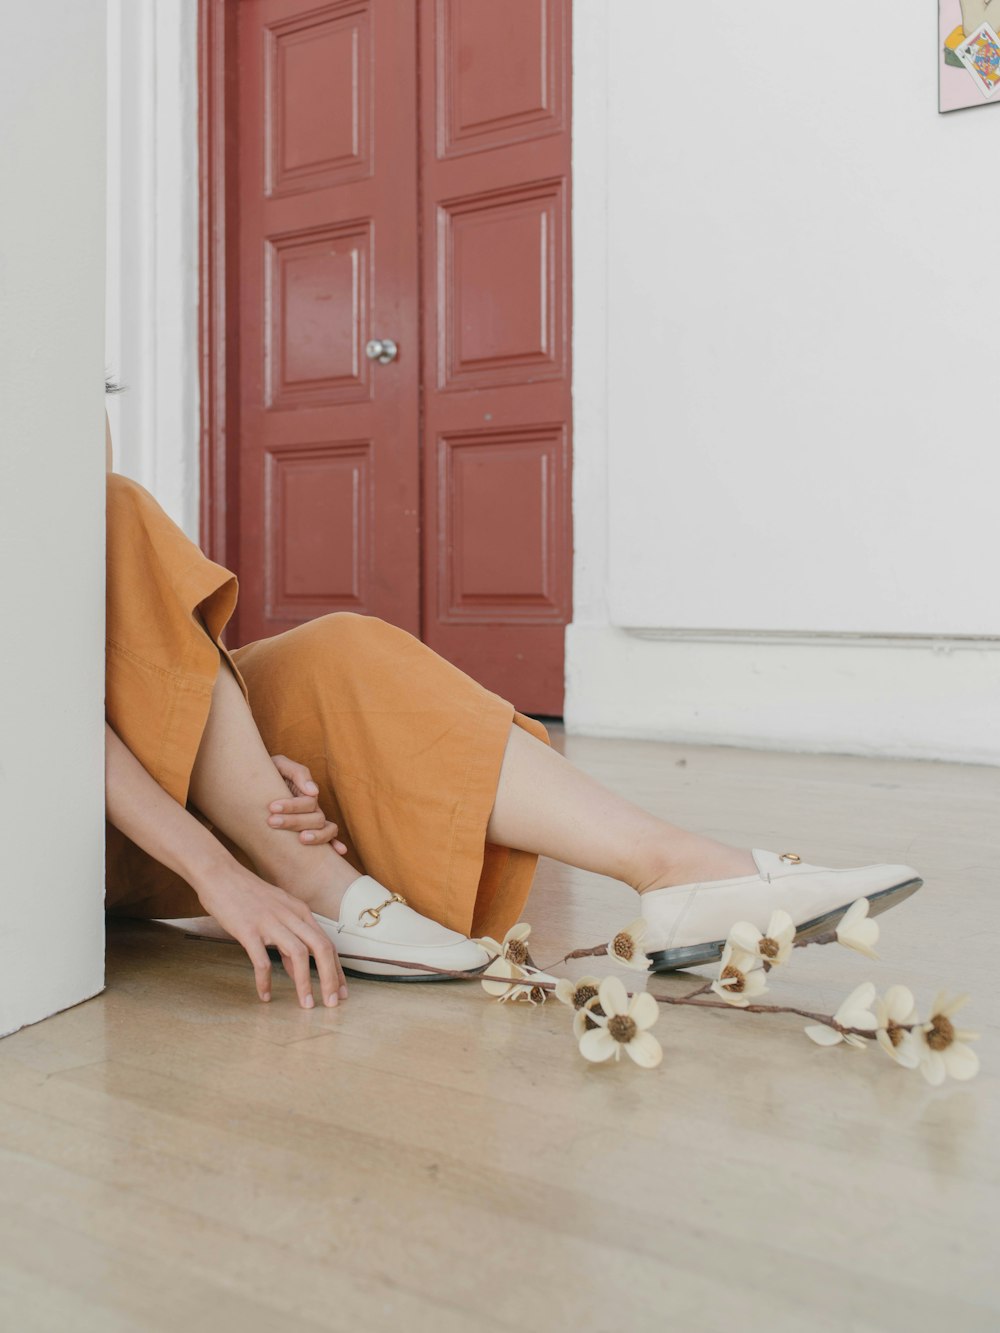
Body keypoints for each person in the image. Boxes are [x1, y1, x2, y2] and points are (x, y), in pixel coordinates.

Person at [103, 390, 922, 1012]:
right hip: (58, 802)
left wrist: (228, 743)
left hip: (121, 743)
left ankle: (678, 872)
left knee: (337, 654)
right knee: (115, 510)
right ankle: (301, 870)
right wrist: (217, 869)